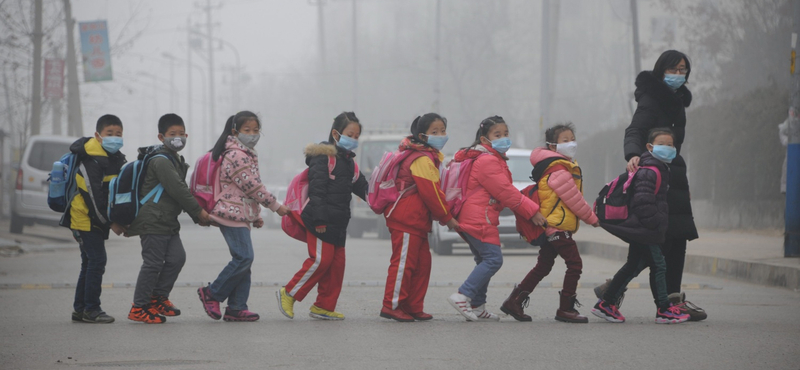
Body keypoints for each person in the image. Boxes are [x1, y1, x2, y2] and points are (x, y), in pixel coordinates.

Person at [595, 49, 705, 321]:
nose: (678, 75)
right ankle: (620, 294)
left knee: (676, 239)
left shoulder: (677, 100)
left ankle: (671, 300)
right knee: (651, 243)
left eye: (683, 70)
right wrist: (633, 154)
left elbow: (674, 144)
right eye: (674, 69)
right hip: (654, 173)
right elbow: (634, 129)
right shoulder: (652, 98)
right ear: (661, 70)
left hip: (673, 173)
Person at [197, 111, 290, 322]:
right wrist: (275, 206)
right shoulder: (237, 154)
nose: (252, 134)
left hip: (238, 213)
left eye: (256, 130)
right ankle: (212, 293)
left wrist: (254, 215)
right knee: (244, 257)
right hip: (229, 213)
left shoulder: (244, 152)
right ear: (235, 132)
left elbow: (242, 190)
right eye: (247, 130)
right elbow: (252, 186)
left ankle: (237, 307)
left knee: (243, 262)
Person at [501, 122, 598, 323]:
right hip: (557, 226)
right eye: (565, 140)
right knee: (575, 264)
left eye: (572, 139)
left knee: (543, 266)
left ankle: (515, 301)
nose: (571, 143)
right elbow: (575, 200)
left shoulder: (559, 166)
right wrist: (592, 219)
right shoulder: (559, 171)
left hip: (552, 226)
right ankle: (565, 308)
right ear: (553, 146)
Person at [276, 112, 369, 321]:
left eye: (356, 136)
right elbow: (317, 190)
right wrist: (319, 220)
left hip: (340, 222)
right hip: (321, 220)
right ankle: (289, 293)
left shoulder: (349, 163)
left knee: (337, 266)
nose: (353, 139)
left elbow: (363, 187)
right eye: (349, 134)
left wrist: (382, 201)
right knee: (320, 261)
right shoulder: (323, 157)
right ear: (336, 134)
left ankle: (323, 306)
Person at [592, 129, 690, 324]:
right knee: (659, 265)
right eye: (662, 144)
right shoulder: (649, 171)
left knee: (633, 266)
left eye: (670, 145)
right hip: (646, 229)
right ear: (649, 147)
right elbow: (643, 202)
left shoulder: (659, 168)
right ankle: (663, 309)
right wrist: (655, 224)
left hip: (644, 229)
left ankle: (606, 303)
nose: (667, 148)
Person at [446, 116, 539, 322]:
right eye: (498, 135)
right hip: (479, 217)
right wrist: (532, 211)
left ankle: (478, 305)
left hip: (476, 216)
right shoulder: (487, 160)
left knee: (483, 260)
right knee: (493, 259)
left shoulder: (491, 158)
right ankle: (463, 295)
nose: (504, 139)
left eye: (506, 134)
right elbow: (505, 191)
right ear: (484, 139)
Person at [126, 113, 211, 324]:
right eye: (172, 134)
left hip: (166, 220)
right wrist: (198, 213)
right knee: (153, 263)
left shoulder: (174, 158)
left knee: (176, 258)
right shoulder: (161, 161)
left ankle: (157, 298)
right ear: (161, 136)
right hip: (152, 219)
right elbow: (178, 190)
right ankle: (139, 307)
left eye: (181, 134)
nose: (178, 137)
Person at [380, 113, 459, 322]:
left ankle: (413, 305)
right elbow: (431, 192)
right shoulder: (422, 158)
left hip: (417, 221)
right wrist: (447, 218)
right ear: (422, 136)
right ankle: (392, 305)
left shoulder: (428, 156)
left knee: (422, 264)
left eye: (443, 130)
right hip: (407, 218)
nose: (441, 135)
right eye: (435, 132)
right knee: (404, 264)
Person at [62, 114, 127, 323]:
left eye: (119, 134)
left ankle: (80, 309)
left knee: (89, 262)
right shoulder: (91, 160)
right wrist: (111, 223)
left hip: (95, 218)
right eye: (110, 134)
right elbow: (94, 199)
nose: (115, 138)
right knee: (97, 260)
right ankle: (92, 309)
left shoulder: (115, 158)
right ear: (98, 136)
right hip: (84, 218)